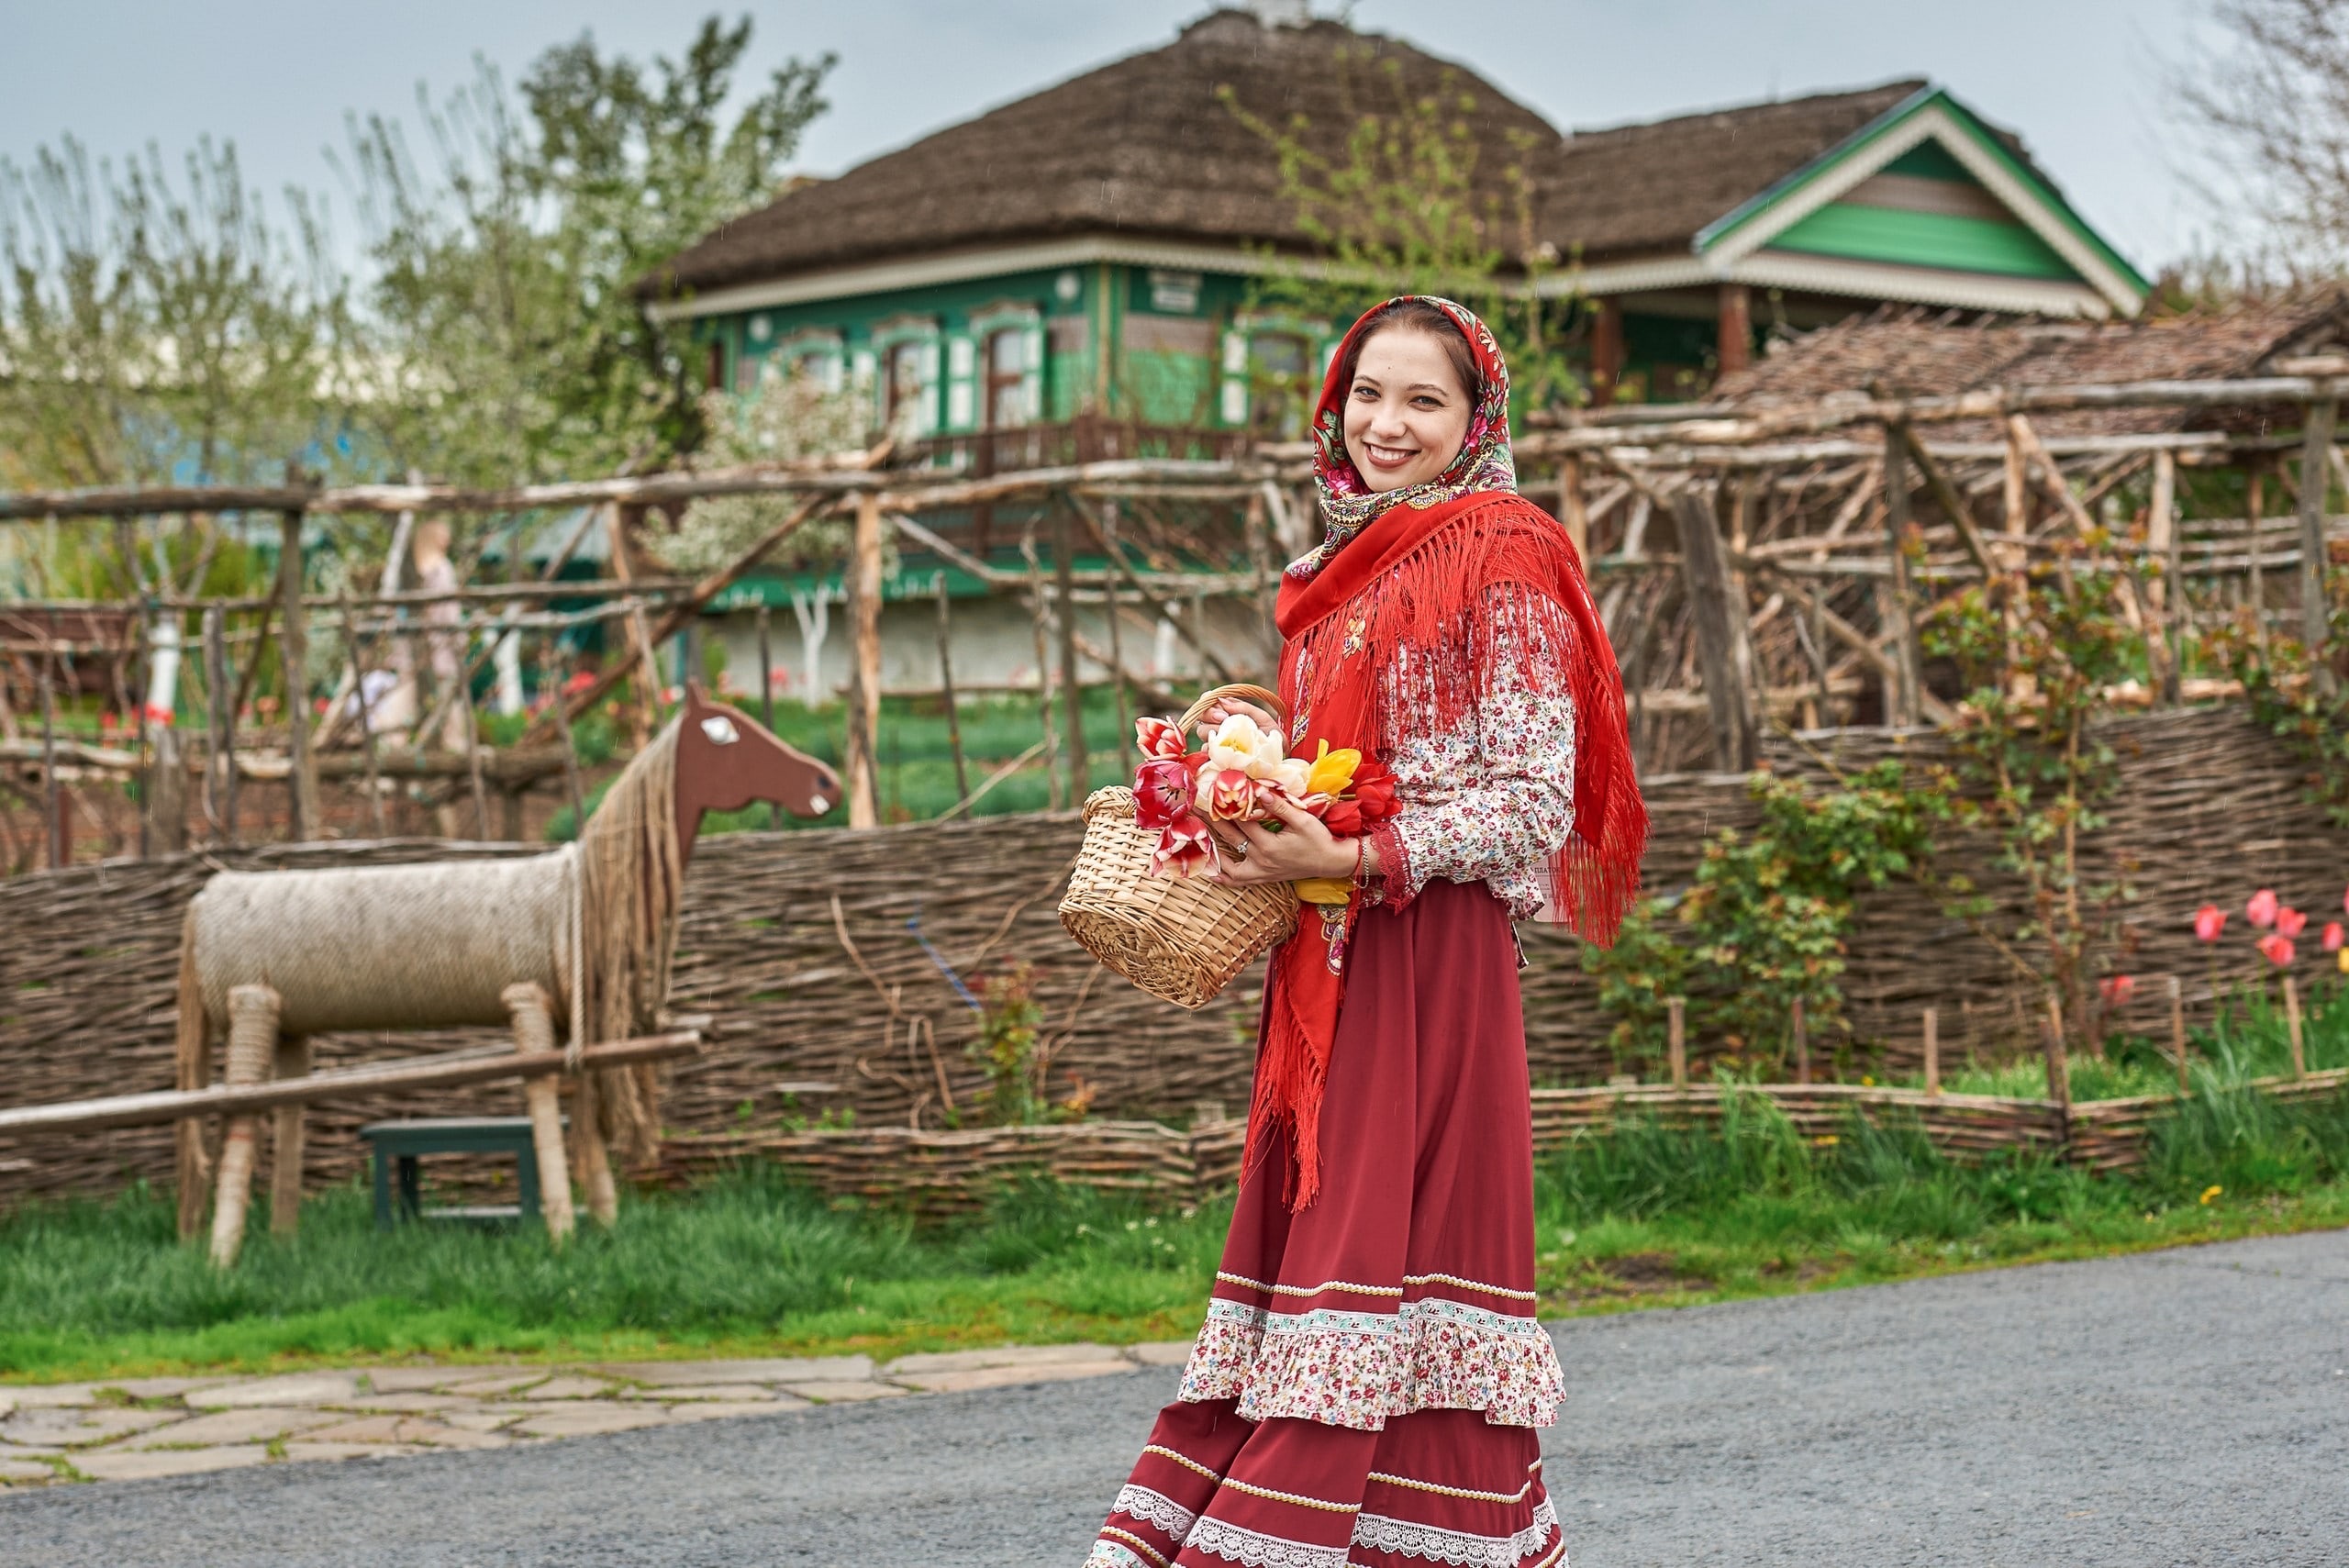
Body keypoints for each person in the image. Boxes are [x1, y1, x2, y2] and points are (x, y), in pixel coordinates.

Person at [1079, 296, 1646, 1568]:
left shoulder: (1502, 553)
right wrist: (1249, 804)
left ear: (1477, 419)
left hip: (1430, 963)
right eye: (1366, 396)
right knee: (1325, 1255)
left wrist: (1359, 851)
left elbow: (1532, 799)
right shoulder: (1333, 573)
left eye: (1424, 401)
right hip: (1325, 968)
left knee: (1395, 1252)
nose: (1387, 424)